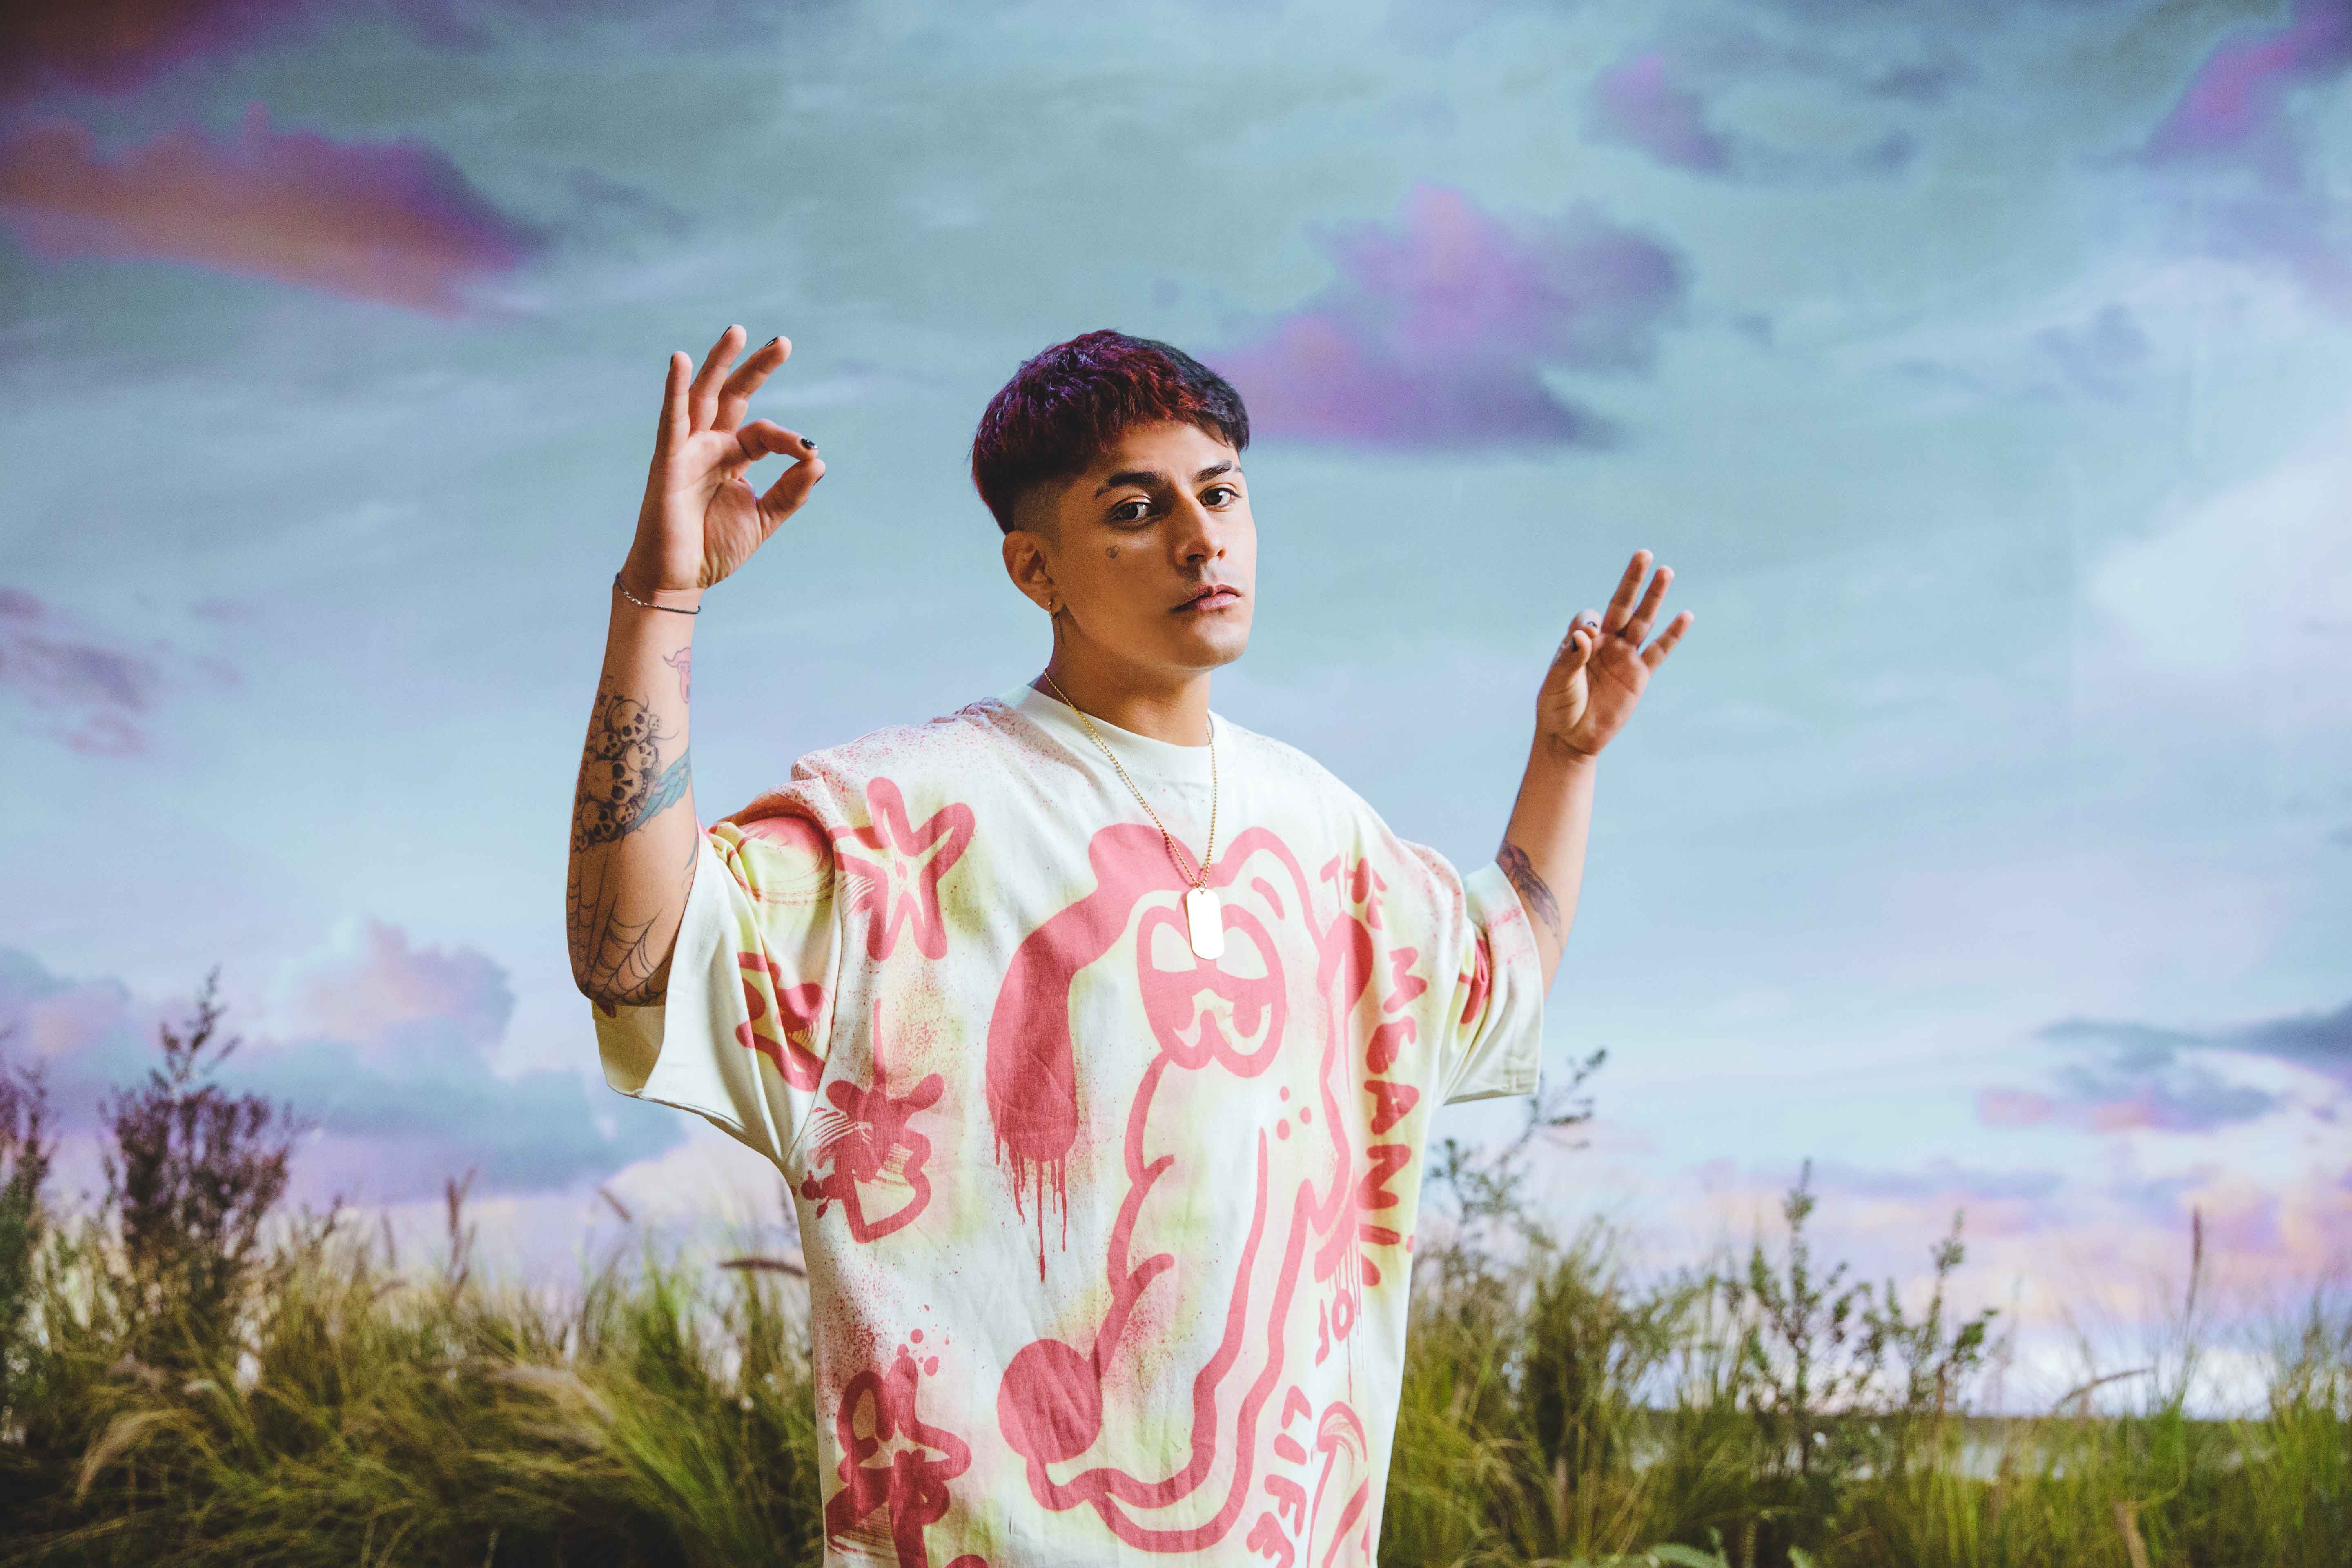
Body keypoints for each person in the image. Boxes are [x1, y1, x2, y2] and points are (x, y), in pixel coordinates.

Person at [567, 323, 1691, 1566]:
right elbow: (637, 954)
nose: (1202, 538)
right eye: (1137, 509)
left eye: (1222, 493)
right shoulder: (904, 824)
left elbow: (1490, 975)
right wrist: (659, 598)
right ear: (1034, 568)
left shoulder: (1324, 832)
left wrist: (1566, 761)